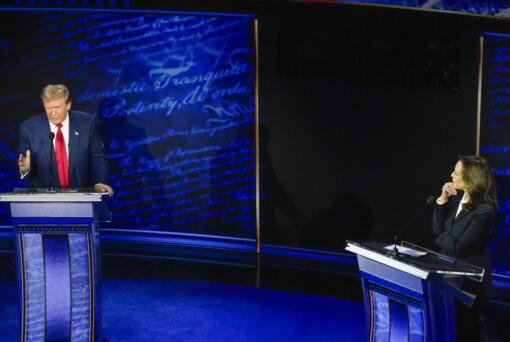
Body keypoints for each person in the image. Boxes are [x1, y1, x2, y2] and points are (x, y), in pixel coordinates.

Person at [433, 155, 497, 342]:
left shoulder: (484, 211)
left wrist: (441, 237)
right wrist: (442, 201)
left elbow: (459, 248)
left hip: (470, 283)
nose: (452, 175)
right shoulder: (456, 201)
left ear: (470, 178)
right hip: (450, 277)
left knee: (469, 332)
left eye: (456, 172)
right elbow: (438, 229)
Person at [17, 84, 113, 196]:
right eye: (48, 108)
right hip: (43, 199)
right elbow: (25, 165)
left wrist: (100, 182)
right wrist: (25, 169)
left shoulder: (86, 123)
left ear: (68, 105)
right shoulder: (28, 128)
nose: (53, 113)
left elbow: (98, 157)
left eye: (57, 107)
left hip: (80, 197)